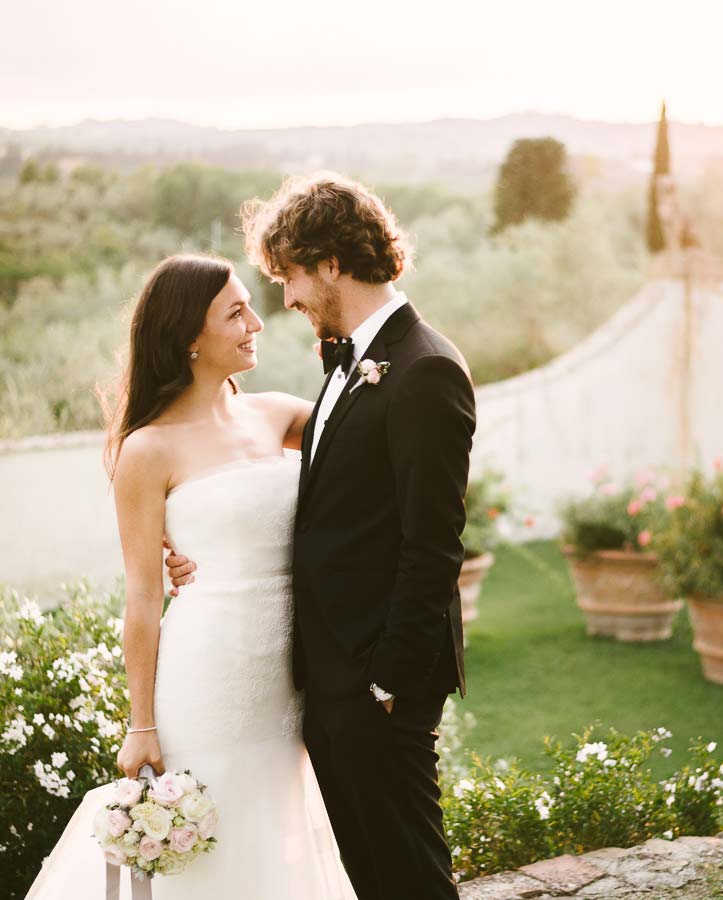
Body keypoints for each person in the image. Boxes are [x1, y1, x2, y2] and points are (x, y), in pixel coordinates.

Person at [165, 172, 475, 899]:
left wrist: (386, 682)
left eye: (292, 277)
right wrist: (185, 536)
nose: (288, 299)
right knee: (369, 875)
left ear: (333, 262)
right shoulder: (351, 361)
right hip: (329, 677)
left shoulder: (426, 370)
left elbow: (434, 546)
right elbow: (312, 501)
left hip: (377, 681)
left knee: (410, 878)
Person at [24, 253, 357, 899]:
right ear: (188, 339)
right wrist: (140, 724)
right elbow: (145, 596)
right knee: (216, 852)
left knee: (278, 833)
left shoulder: (278, 415)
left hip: (293, 675)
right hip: (209, 679)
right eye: (235, 312)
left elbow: (367, 450)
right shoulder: (147, 451)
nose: (257, 322)